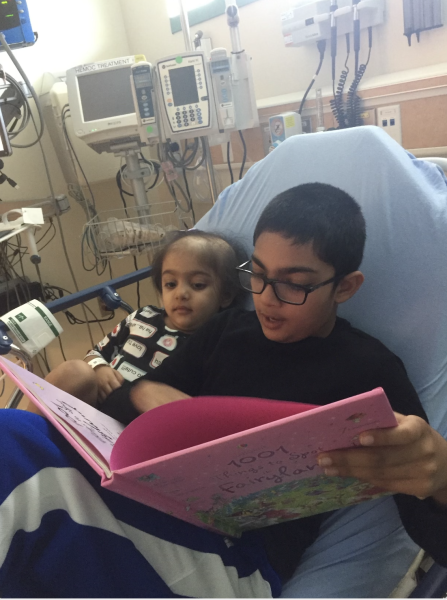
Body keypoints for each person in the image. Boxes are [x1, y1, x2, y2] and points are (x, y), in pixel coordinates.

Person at [1, 183, 447, 598]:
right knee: (16, 431)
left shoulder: (370, 370)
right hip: (153, 506)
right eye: (257, 273)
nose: (268, 297)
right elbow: (121, 410)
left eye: (293, 282)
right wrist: (142, 395)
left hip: (240, 560)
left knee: (17, 457)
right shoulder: (227, 331)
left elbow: (427, 523)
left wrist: (442, 476)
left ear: (345, 287)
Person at [43, 230, 245, 412]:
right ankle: (28, 426)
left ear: (226, 295)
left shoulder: (210, 345)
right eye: (170, 284)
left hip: (140, 427)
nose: (181, 293)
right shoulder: (142, 317)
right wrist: (99, 368)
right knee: (75, 372)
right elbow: (95, 353)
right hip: (96, 407)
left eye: (198, 285)